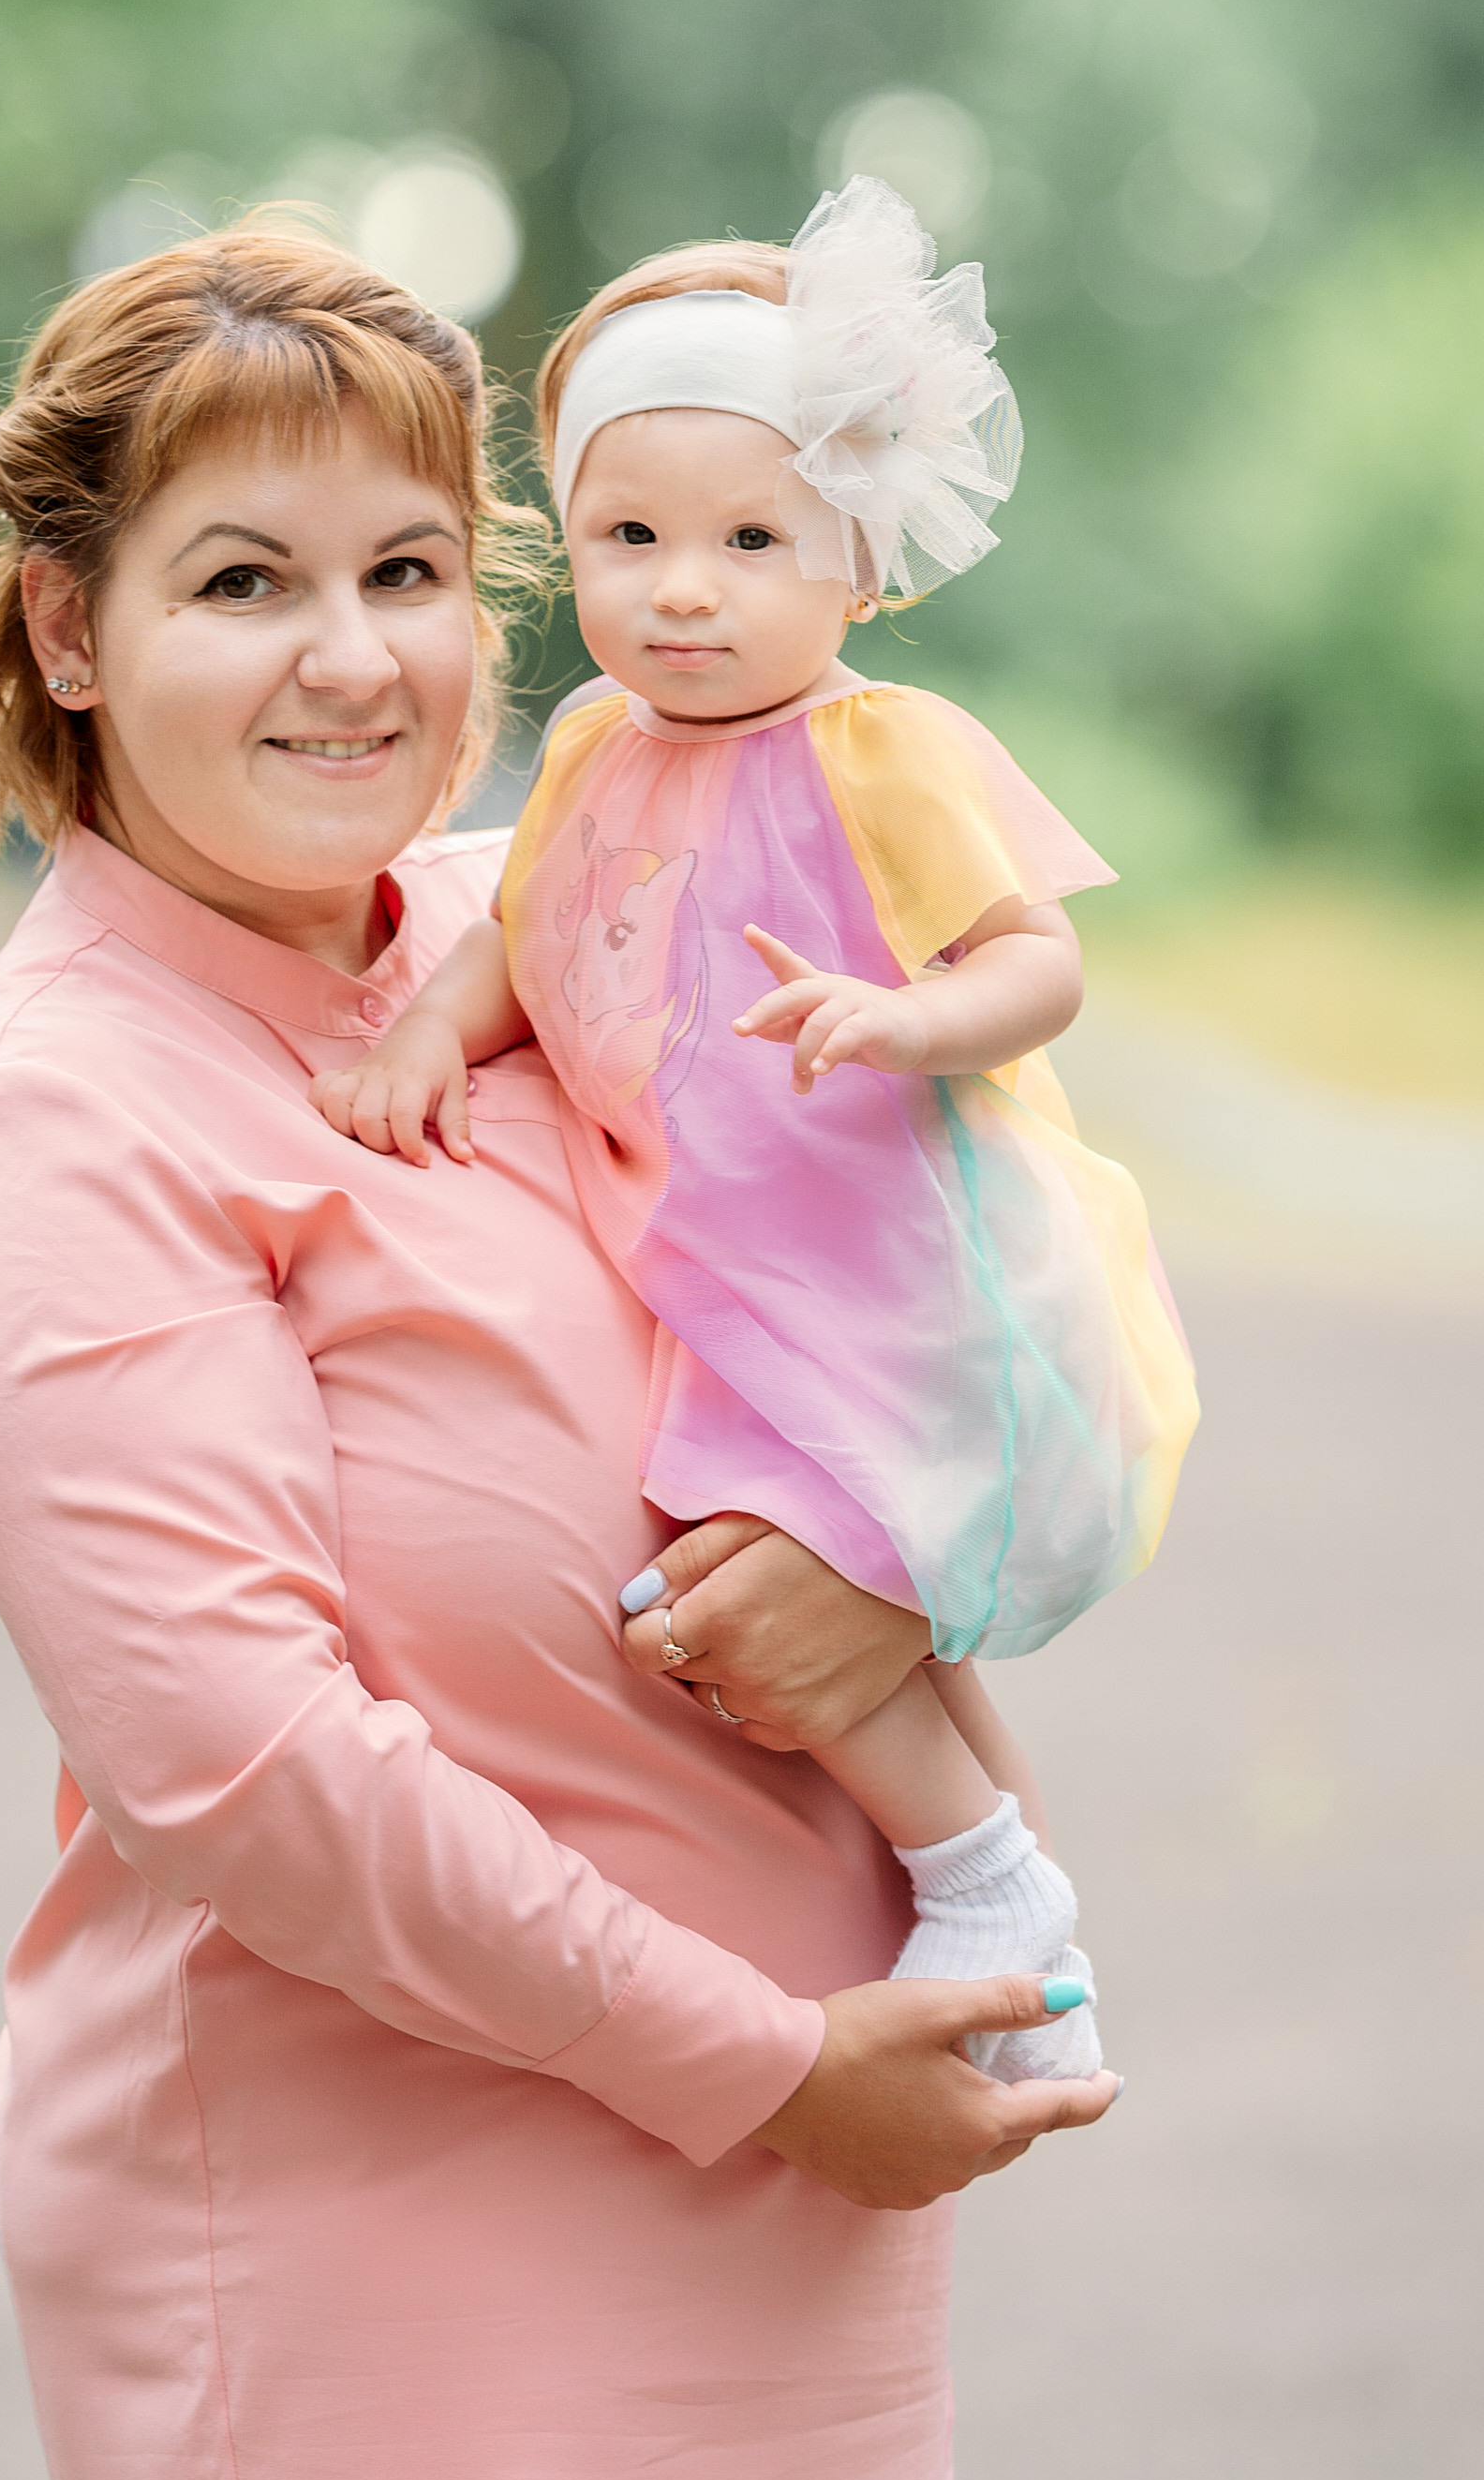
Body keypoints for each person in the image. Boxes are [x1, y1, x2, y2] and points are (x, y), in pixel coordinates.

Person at [0, 226, 1118, 2480]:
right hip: (412, 2233)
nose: (355, 656)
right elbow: (249, 1773)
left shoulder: (537, 924)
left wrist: (893, 1598)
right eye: (246, 579)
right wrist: (762, 2063)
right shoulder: (57, 1122)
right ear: (73, 630)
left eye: (410, 571)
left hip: (789, 2206)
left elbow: (919, 1287)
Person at [313, 181, 1198, 2074]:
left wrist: (910, 1015)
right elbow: (533, 939)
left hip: (877, 1264)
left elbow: (1034, 962)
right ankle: (1010, 1924)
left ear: (855, 566)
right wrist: (431, 1041)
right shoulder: (589, 754)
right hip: (707, 1261)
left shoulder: (881, 752)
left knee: (769, 1595)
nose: (683, 584)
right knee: (794, 1600)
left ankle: (985, 1885)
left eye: (746, 536)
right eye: (628, 535)